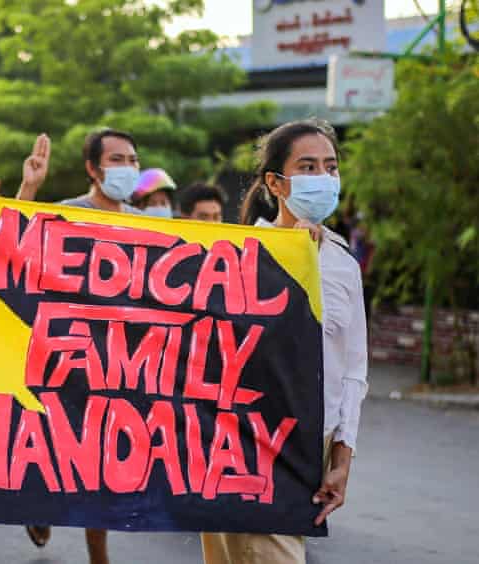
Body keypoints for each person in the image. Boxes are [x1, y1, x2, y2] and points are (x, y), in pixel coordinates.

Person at [201, 119, 368, 564]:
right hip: (243, 444)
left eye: (330, 168)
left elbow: (353, 369)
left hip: (312, 447)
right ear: (275, 182)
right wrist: (288, 263)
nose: (324, 179)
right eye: (308, 167)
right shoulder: (235, 256)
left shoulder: (342, 264)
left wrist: (342, 455)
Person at [16, 127, 145, 564]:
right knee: (62, 450)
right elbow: (17, 240)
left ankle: (98, 555)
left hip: (123, 362)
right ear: (92, 169)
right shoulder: (68, 215)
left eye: (132, 160)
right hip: (68, 357)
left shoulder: (146, 223)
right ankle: (42, 505)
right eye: (117, 160)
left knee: (103, 462)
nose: (127, 168)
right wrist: (29, 188)